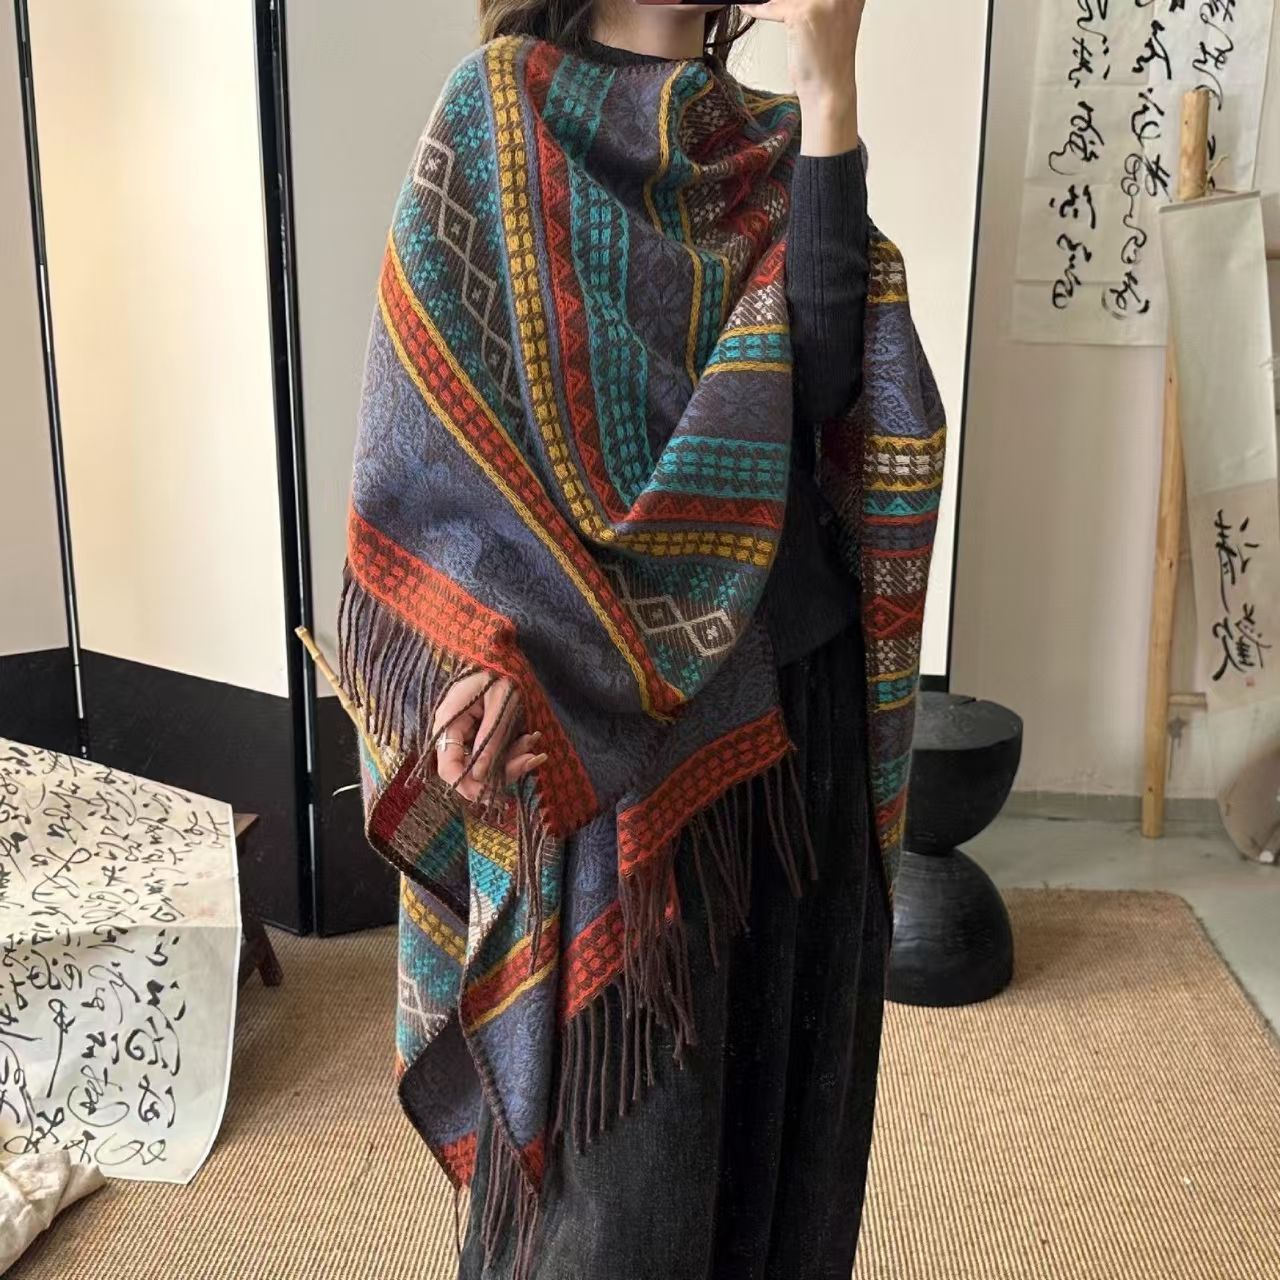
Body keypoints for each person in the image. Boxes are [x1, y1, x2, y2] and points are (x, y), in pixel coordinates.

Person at [337, 2, 945, 1277]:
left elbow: (828, 388)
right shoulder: (501, 107)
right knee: (620, 1205)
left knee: (787, 1153)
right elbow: (438, 449)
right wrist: (475, 663)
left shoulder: (769, 137)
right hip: (614, 745)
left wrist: (829, 92)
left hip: (796, 718)